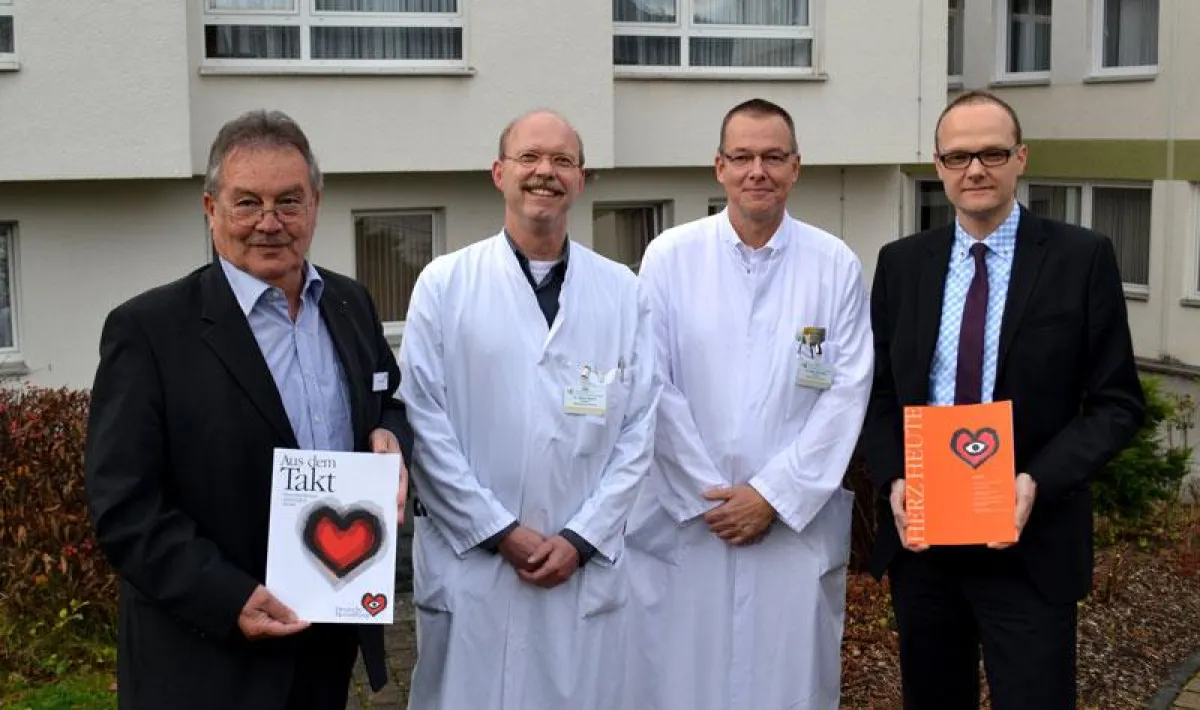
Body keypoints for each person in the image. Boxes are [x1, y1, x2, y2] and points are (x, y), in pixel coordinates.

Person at [84, 109, 413, 710]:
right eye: (247, 203)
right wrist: (227, 597)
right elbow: (123, 506)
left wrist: (391, 437)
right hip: (206, 657)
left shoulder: (348, 301)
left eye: (289, 201)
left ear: (315, 204)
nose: (269, 223)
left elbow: (385, 400)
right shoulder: (149, 329)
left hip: (325, 636)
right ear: (211, 209)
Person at [862, 90, 1146, 709]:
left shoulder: (1080, 257)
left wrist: (1035, 483)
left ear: (1020, 158)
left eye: (992, 152)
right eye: (958, 156)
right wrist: (892, 482)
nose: (975, 169)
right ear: (938, 166)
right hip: (925, 544)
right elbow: (879, 395)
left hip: (1029, 541)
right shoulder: (902, 264)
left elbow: (1116, 403)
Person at [400, 109, 659, 710]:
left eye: (562, 161)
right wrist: (498, 531)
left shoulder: (623, 291)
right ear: (499, 172)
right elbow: (425, 422)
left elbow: (640, 428)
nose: (546, 172)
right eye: (530, 158)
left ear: (582, 179)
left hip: (582, 568)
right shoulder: (444, 284)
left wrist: (581, 536)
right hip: (476, 569)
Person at [622, 98, 873, 710]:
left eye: (772, 157)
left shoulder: (833, 263)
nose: (757, 170)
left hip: (791, 524)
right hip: (689, 520)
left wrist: (771, 497)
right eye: (742, 157)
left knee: (786, 682)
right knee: (682, 681)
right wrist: (712, 494)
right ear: (719, 167)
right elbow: (652, 382)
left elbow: (846, 391)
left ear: (796, 167)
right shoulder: (670, 256)